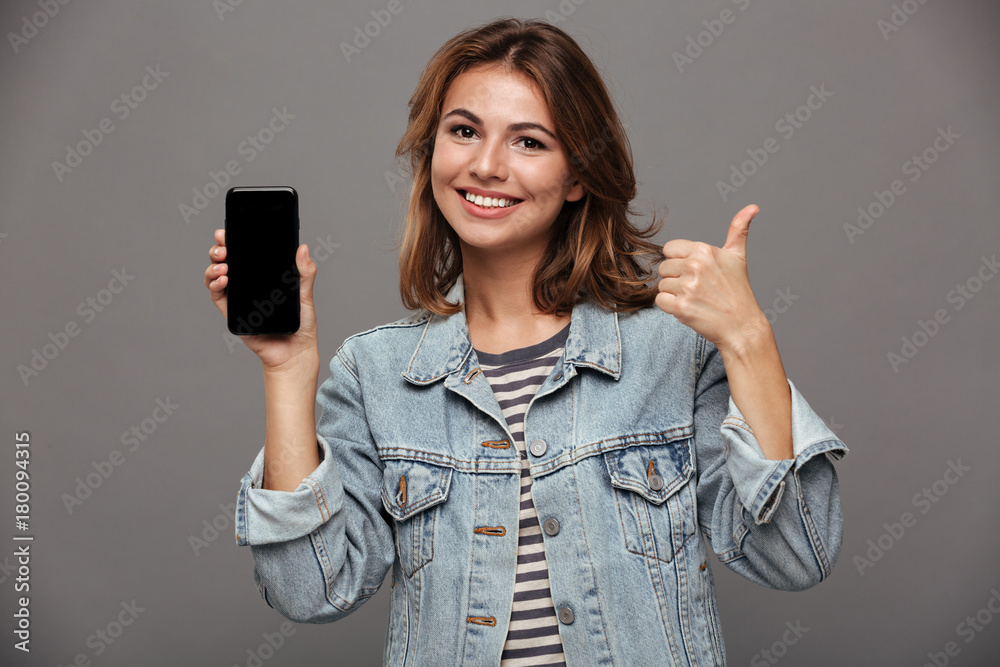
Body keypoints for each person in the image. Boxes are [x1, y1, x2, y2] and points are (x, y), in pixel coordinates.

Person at [204, 17, 847, 667]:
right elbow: (307, 590)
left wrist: (747, 338)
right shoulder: (375, 373)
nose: (486, 165)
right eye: (463, 131)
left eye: (529, 141)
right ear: (433, 153)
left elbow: (798, 553)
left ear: (577, 176)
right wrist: (287, 371)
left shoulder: (672, 353)